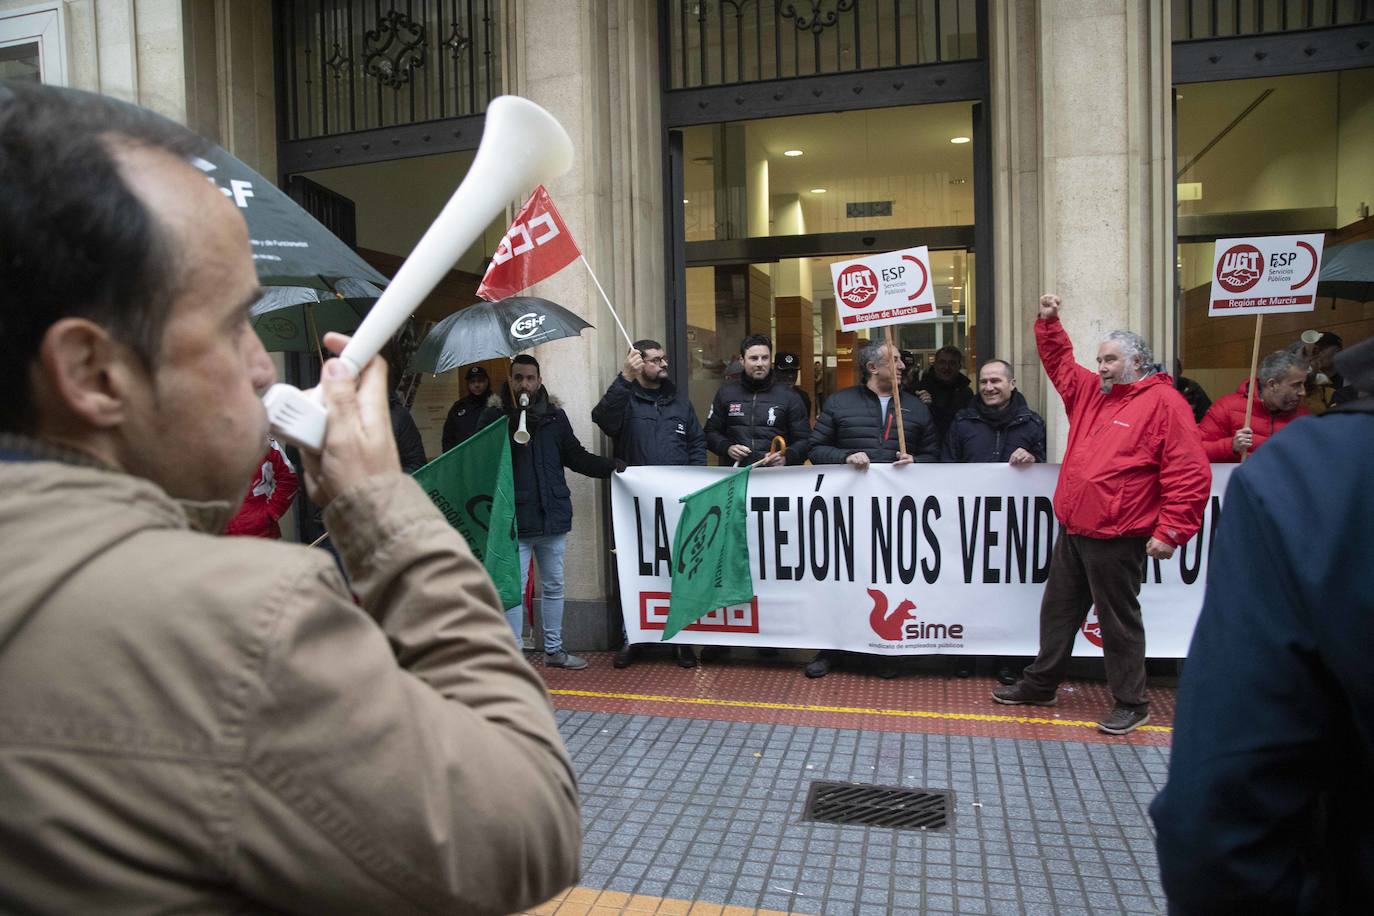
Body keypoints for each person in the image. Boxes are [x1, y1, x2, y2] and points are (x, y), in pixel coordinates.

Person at [0, 81, 578, 912]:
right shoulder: (235, 627)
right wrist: (381, 506)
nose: (265, 369)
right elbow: (525, 822)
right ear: (93, 374)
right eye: (236, 324)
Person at [1150, 337, 1374, 912]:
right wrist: (1233, 442)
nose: (1305, 393)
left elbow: (1221, 800)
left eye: (1307, 386)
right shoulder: (1278, 447)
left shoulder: (1317, 469)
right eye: (1296, 385)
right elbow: (1200, 446)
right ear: (1267, 384)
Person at [992, 294, 1210, 736]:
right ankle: (1042, 683)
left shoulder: (1165, 404)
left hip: (1118, 532)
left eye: (1110, 359)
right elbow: (1060, 364)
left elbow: (1188, 470)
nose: (1102, 366)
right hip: (1076, 528)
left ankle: (1132, 702)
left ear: (1138, 362)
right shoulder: (1094, 393)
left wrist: (1171, 530)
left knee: (1118, 622)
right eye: (1099, 359)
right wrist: (1049, 323)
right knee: (1058, 612)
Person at [804, 339, 939, 679]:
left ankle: (880, 650)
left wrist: (918, 461)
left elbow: (938, 455)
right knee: (842, 579)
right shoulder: (839, 403)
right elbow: (815, 448)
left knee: (885, 582)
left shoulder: (916, 408)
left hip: (894, 516)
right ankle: (831, 647)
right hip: (847, 514)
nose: (903, 366)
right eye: (893, 360)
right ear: (872, 367)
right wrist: (844, 457)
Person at [480, 354, 620, 669]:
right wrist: (510, 423)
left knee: (554, 585)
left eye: (530, 378)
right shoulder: (495, 417)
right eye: (518, 378)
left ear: (540, 381)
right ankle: (513, 654)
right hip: (515, 520)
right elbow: (481, 459)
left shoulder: (555, 417)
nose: (525, 383)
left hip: (552, 517)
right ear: (510, 380)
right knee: (513, 589)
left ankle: (554, 649)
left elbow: (574, 455)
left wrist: (611, 467)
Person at [592, 340, 705, 669]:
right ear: (640, 364)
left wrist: (695, 480)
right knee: (633, 568)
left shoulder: (679, 404)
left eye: (664, 358)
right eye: (655, 360)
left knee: (678, 566)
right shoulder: (625, 400)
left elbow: (696, 442)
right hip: (635, 504)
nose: (663, 364)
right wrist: (624, 380)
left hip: (678, 501)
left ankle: (681, 640)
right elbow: (602, 419)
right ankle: (633, 636)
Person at [941, 359, 1047, 684]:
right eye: (984, 381)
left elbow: (1044, 471)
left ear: (1012, 384)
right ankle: (965, 653)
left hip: (1013, 526)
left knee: (1009, 593)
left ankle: (1008, 658)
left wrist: (1032, 460)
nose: (989, 387)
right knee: (966, 590)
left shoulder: (1032, 423)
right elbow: (946, 465)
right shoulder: (962, 421)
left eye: (996, 381)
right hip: (969, 521)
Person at [705, 335, 810, 468]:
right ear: (742, 361)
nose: (760, 364)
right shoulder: (726, 393)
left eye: (765, 358)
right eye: (754, 358)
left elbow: (806, 440)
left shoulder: (789, 396)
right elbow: (710, 433)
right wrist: (728, 448)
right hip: (737, 476)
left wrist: (786, 457)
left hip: (776, 477)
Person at [1196, 349, 1309, 462]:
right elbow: (1195, 450)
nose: (1302, 392)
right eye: (1296, 385)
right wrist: (1231, 446)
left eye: (1303, 384)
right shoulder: (1227, 408)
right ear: (1272, 384)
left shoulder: (1302, 416)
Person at [225, 437, 299, 539]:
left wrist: (270, 513)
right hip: (220, 537)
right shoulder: (206, 441)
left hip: (260, 533)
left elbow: (288, 478)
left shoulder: (263, 439)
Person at [910, 344, 974, 446]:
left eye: (952, 363)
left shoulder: (966, 393)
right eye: (942, 362)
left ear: (959, 366)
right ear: (934, 364)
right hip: (926, 447)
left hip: (957, 448)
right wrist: (922, 406)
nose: (946, 367)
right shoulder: (919, 389)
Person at [441, 365, 492, 451]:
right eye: (472, 381)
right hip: (463, 457)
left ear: (487, 382)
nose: (476, 385)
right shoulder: (458, 407)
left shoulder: (496, 406)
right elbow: (447, 438)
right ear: (468, 384)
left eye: (480, 381)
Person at [773, 350, 812, 419]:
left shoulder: (803, 397)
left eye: (793, 372)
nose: (790, 376)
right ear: (775, 372)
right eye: (785, 372)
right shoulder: (764, 396)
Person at [1173, 358, 1212, 423]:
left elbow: (1206, 412)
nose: (1173, 374)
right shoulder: (1158, 390)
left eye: (1176, 369)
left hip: (1191, 427)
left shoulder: (1192, 387)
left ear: (1180, 371)